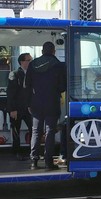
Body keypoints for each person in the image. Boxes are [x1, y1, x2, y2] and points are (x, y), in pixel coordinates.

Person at [25, 42, 66, 170]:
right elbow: (63, 86)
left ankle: (34, 161)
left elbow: (27, 85)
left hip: (36, 102)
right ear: (53, 51)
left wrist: (29, 103)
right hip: (52, 102)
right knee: (50, 132)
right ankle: (48, 162)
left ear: (42, 51)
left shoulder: (33, 64)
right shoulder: (59, 65)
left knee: (36, 131)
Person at [6, 53, 33, 161]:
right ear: (22, 62)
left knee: (34, 129)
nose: (31, 62)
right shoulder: (15, 74)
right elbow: (11, 93)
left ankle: (33, 152)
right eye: (29, 60)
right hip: (16, 108)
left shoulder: (32, 74)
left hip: (28, 108)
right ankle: (17, 152)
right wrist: (12, 109)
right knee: (16, 131)